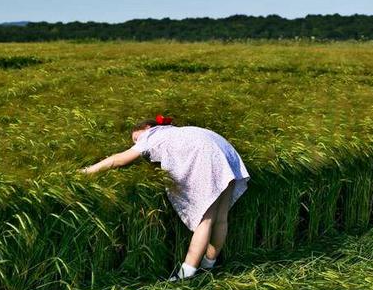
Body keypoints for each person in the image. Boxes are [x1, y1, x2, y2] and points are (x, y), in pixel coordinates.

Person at [81, 115, 250, 281]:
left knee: (206, 219)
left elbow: (119, 159)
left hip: (206, 153)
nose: (136, 143)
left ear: (147, 128)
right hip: (223, 149)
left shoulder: (152, 134)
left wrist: (88, 171)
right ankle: (209, 266)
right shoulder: (176, 132)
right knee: (221, 217)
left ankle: (186, 274)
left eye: (135, 138)